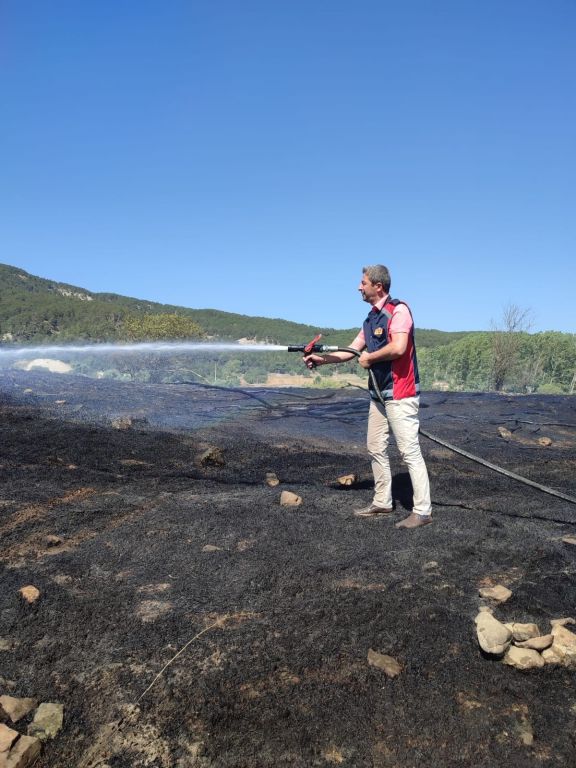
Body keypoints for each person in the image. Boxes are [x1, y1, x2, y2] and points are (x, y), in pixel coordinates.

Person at [303, 265, 432, 529]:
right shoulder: (370, 320)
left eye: (363, 283)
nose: (359, 287)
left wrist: (370, 357)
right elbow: (351, 351)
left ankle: (422, 511)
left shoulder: (399, 311)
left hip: (400, 393)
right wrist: (321, 359)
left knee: (409, 452)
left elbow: (398, 347)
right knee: (375, 447)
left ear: (378, 286)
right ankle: (383, 502)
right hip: (379, 396)